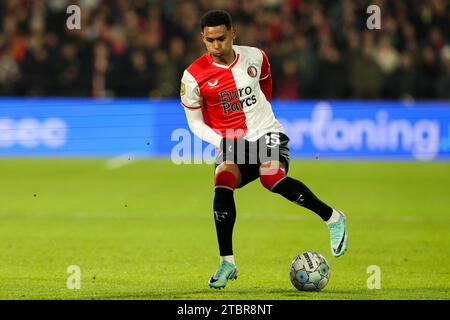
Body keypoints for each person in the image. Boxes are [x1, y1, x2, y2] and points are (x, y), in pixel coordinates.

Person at [180, 10, 348, 290]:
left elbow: (266, 86)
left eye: (222, 38)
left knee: (271, 179)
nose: (216, 45)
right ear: (203, 38)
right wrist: (222, 142)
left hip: (268, 133)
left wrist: (258, 121)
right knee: (222, 179)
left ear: (233, 33)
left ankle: (332, 217)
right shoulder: (192, 76)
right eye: (210, 40)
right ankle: (227, 262)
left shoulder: (256, 56)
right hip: (231, 141)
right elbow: (194, 124)